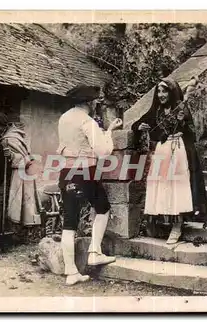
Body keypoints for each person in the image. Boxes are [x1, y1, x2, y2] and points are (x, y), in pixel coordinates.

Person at [57, 84, 123, 286]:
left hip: (66, 172)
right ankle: (95, 252)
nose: (97, 104)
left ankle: (71, 272)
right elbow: (103, 151)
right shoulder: (87, 121)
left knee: (69, 223)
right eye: (95, 101)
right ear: (89, 102)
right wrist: (110, 132)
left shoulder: (64, 118)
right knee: (103, 209)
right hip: (85, 172)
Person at [131, 78, 207, 244]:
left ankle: (177, 227)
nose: (161, 95)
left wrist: (182, 124)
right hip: (162, 150)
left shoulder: (181, 108)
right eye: (159, 91)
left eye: (164, 91)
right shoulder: (156, 111)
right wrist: (139, 127)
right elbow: (136, 123)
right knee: (159, 186)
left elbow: (192, 133)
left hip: (178, 150)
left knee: (176, 187)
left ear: (172, 92)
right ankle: (159, 223)